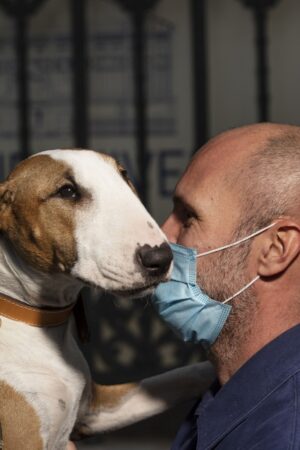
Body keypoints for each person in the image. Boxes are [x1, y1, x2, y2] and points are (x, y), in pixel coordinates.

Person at [152, 123, 300, 449]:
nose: (162, 237)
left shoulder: (285, 432)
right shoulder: (236, 388)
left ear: (276, 250)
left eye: (188, 217)